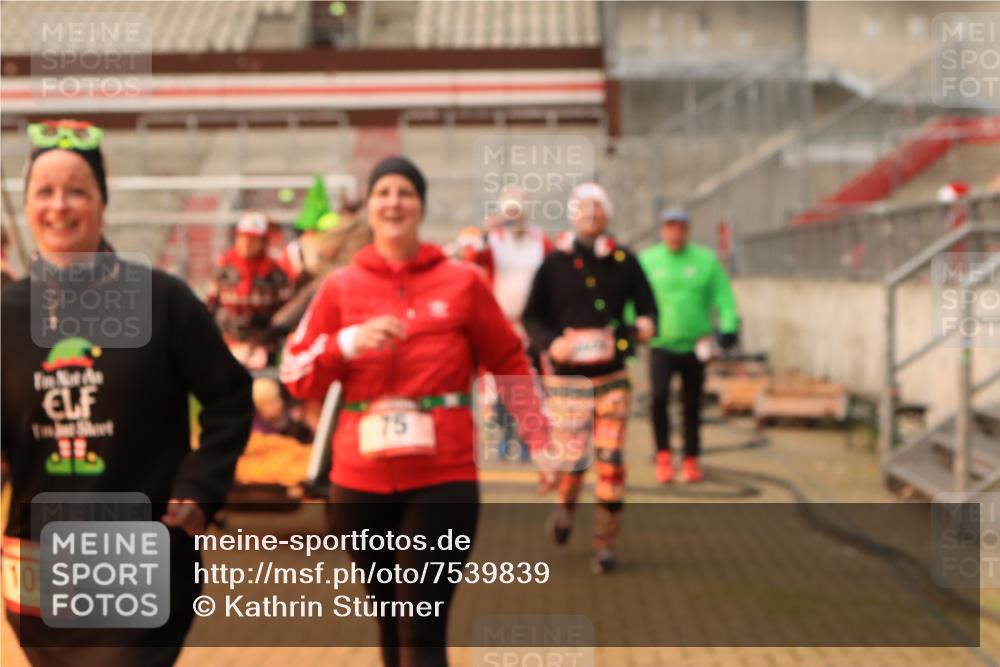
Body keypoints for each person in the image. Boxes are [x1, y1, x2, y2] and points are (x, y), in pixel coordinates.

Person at [0, 119, 253, 666]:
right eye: (44, 191)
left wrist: (199, 489)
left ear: (102, 202)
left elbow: (228, 397)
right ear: (26, 205)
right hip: (38, 566)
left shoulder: (162, 301)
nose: (59, 206)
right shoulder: (6, 315)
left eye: (77, 190)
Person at [280, 156, 548, 667]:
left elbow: (509, 360)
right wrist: (347, 341)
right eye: (383, 192)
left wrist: (540, 440)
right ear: (369, 207)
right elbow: (296, 374)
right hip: (358, 480)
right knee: (389, 617)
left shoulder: (463, 282)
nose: (393, 202)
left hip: (442, 475)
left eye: (405, 191)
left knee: (421, 622)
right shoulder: (339, 287)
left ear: (421, 205)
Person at [522, 182, 658, 574]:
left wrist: (646, 324)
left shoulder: (624, 261)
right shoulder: (553, 265)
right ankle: (565, 509)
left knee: (611, 462)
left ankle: (605, 543)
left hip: (613, 379)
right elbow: (533, 317)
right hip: (568, 383)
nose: (591, 213)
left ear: (608, 214)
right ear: (571, 214)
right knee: (574, 462)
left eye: (598, 207)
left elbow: (648, 307)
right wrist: (551, 344)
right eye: (583, 207)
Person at [639, 207, 739, 484]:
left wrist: (729, 328)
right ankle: (662, 455)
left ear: (687, 230)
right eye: (669, 226)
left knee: (691, 404)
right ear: (662, 230)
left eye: (680, 227)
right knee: (659, 399)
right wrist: (629, 328)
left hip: (696, 345)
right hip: (661, 344)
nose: (675, 232)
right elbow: (632, 296)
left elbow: (724, 297)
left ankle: (691, 458)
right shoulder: (649, 260)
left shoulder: (705, 261)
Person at [458, 188, 553, 462]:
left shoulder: (540, 241)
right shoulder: (495, 240)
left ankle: (528, 437)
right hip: (499, 324)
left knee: (530, 379)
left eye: (518, 211)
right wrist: (488, 231)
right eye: (509, 212)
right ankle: (503, 434)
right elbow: (471, 259)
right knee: (497, 386)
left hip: (531, 325)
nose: (515, 217)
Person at [205, 210, 293, 367]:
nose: (246, 243)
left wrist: (266, 333)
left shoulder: (275, 272)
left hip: (264, 343)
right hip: (229, 340)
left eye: (253, 239)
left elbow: (287, 310)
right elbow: (211, 304)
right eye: (243, 237)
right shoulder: (224, 267)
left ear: (263, 241)